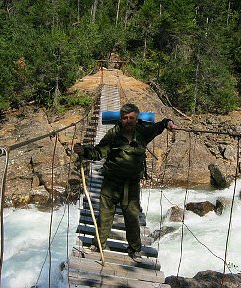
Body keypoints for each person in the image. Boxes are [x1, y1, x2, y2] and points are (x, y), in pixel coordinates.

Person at [73, 103, 176, 261]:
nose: (128, 121)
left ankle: (134, 250)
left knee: (132, 216)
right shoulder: (113, 135)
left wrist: (167, 122)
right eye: (125, 118)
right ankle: (98, 244)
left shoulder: (143, 133)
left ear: (137, 119)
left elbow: (158, 126)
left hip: (131, 184)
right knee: (105, 215)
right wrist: (84, 151)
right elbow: (99, 152)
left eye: (132, 118)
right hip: (111, 182)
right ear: (121, 119)